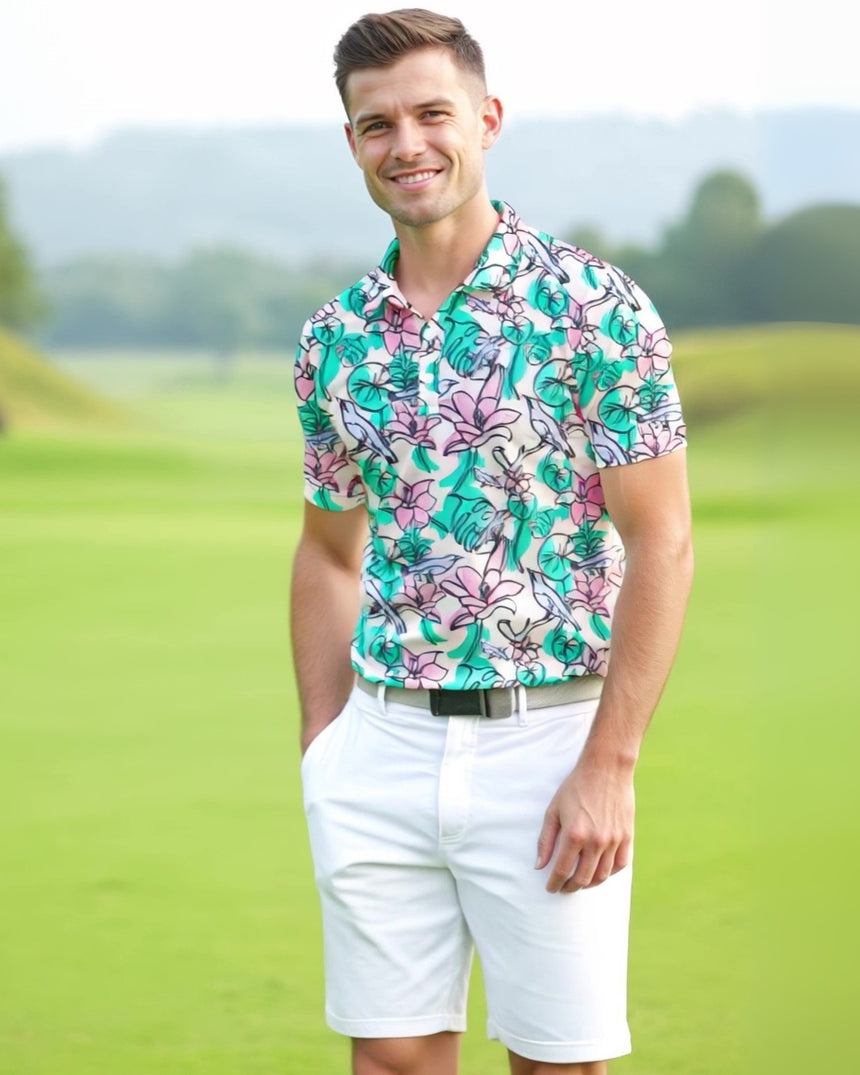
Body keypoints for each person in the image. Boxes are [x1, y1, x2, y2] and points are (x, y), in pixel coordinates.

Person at [290, 9, 693, 1075]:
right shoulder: (334, 339)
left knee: (555, 1066)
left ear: (487, 119)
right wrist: (323, 746)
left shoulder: (591, 308)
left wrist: (609, 765)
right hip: (378, 746)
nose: (406, 143)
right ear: (351, 144)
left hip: (546, 747)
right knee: (392, 1062)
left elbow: (663, 542)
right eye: (376, 124)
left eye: (431, 113)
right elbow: (328, 551)